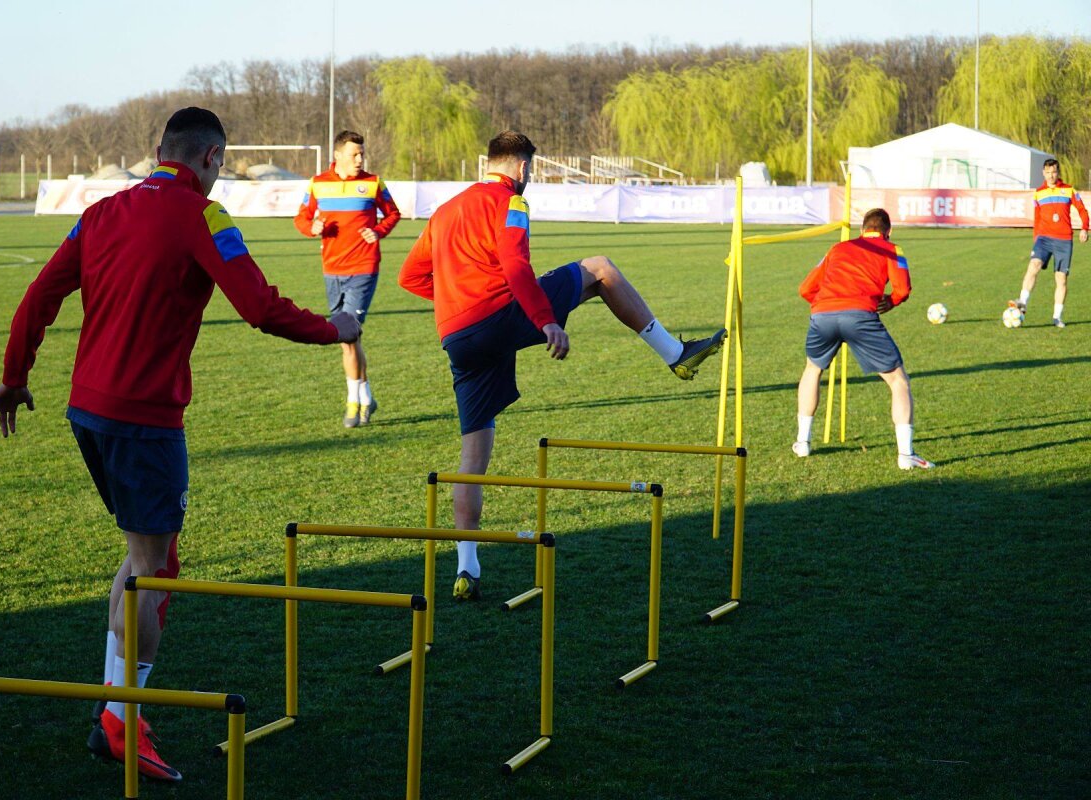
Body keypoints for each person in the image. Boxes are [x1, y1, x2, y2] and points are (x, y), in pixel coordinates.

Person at [0, 107, 360, 782]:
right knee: (150, 572)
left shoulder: (103, 211)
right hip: (144, 421)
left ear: (159, 151)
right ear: (212, 159)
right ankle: (121, 721)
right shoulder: (202, 216)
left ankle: (115, 707)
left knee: (151, 559)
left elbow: (39, 295)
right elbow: (261, 307)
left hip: (88, 412)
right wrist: (336, 330)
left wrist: (15, 377)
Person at [399, 130, 727, 601]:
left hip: (457, 336)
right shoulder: (511, 202)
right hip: (499, 315)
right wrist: (545, 320)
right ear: (523, 167)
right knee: (601, 269)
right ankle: (675, 354)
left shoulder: (446, 210)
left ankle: (466, 568)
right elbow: (514, 266)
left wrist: (458, 300)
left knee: (473, 455)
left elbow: (410, 276)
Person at [792, 208, 932, 470]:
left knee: (812, 370)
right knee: (898, 381)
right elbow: (902, 289)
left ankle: (803, 442)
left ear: (861, 230)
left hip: (822, 315)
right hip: (860, 316)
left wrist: (827, 306)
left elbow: (805, 288)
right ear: (888, 232)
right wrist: (890, 302)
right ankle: (906, 455)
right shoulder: (892, 249)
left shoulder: (836, 249)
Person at [295, 130, 401, 427]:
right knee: (348, 340)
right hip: (331, 269)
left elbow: (393, 214)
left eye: (362, 154)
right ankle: (367, 397)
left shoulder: (373, 182)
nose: (359, 159)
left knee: (348, 335)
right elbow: (301, 218)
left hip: (364, 267)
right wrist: (312, 228)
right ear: (338, 155)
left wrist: (378, 231)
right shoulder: (318, 184)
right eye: (354, 154)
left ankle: (354, 403)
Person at [1008, 158, 1088, 328]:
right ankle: (1022, 303)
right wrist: (1036, 239)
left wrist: (1084, 228)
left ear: (1058, 173)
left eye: (1054, 172)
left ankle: (1057, 317)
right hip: (1043, 239)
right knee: (1033, 266)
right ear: (1043, 173)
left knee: (1061, 280)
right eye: (1048, 172)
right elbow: (1037, 219)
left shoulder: (1068, 190)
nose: (1051, 175)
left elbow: (1082, 209)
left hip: (1064, 240)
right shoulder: (1038, 193)